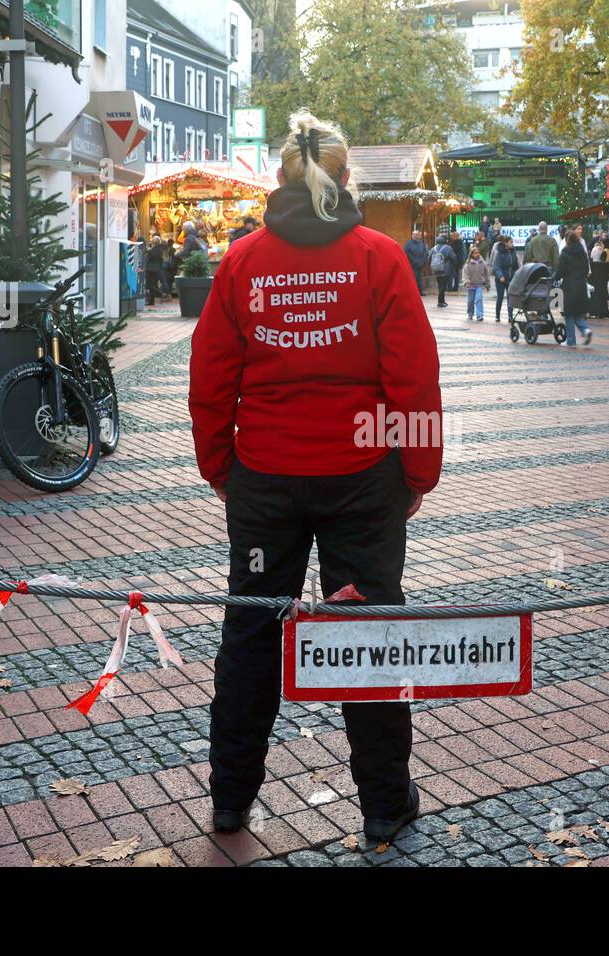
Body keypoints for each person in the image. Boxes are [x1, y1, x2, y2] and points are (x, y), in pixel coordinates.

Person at [188, 110, 442, 844]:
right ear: (347, 178)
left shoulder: (241, 262)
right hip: (364, 478)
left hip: (265, 477)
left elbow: (211, 377)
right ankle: (385, 807)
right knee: (367, 633)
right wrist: (417, 470)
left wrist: (220, 467)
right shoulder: (379, 258)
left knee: (252, 632)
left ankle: (231, 799)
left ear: (280, 181)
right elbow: (413, 377)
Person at [554, 227, 591, 346]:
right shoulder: (582, 252)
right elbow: (586, 269)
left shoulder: (565, 252)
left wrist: (554, 277)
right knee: (578, 312)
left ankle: (571, 341)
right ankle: (586, 329)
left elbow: (560, 271)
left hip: (569, 286)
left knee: (569, 314)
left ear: (567, 240)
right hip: (581, 285)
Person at [491, 234, 520, 323]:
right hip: (501, 280)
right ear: (506, 243)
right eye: (511, 242)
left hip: (510, 279)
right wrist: (500, 276)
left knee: (510, 297)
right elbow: (496, 267)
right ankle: (497, 315)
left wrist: (516, 275)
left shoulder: (513, 253)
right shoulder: (500, 253)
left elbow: (516, 266)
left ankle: (510, 316)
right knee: (500, 297)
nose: (512, 244)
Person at [462, 244, 490, 321]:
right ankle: (470, 314)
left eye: (478, 252)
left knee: (479, 299)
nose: (477, 254)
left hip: (479, 284)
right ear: (471, 254)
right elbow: (465, 274)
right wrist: (466, 282)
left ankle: (479, 315)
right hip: (470, 285)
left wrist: (487, 284)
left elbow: (486, 273)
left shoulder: (483, 262)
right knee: (470, 301)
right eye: (475, 253)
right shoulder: (468, 264)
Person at [429, 231, 456, 308]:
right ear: (445, 240)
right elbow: (453, 258)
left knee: (440, 285)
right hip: (445, 270)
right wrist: (452, 265)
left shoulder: (433, 248)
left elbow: (429, 258)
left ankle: (442, 301)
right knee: (443, 286)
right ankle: (440, 302)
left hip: (436, 269)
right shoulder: (448, 248)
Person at [402, 230, 428, 294]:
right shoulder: (408, 244)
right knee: (413, 278)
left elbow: (425, 253)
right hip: (412, 265)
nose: (415, 236)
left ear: (419, 236)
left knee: (419, 278)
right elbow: (407, 253)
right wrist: (414, 261)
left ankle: (420, 291)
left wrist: (422, 261)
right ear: (412, 235)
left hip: (420, 264)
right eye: (414, 234)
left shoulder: (422, 243)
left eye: (416, 234)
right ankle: (413, 292)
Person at [145, 233, 166, 301]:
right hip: (158, 269)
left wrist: (149, 251)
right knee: (153, 284)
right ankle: (152, 300)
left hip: (151, 269)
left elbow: (150, 258)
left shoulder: (153, 250)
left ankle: (160, 294)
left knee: (151, 285)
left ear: (153, 242)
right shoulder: (160, 250)